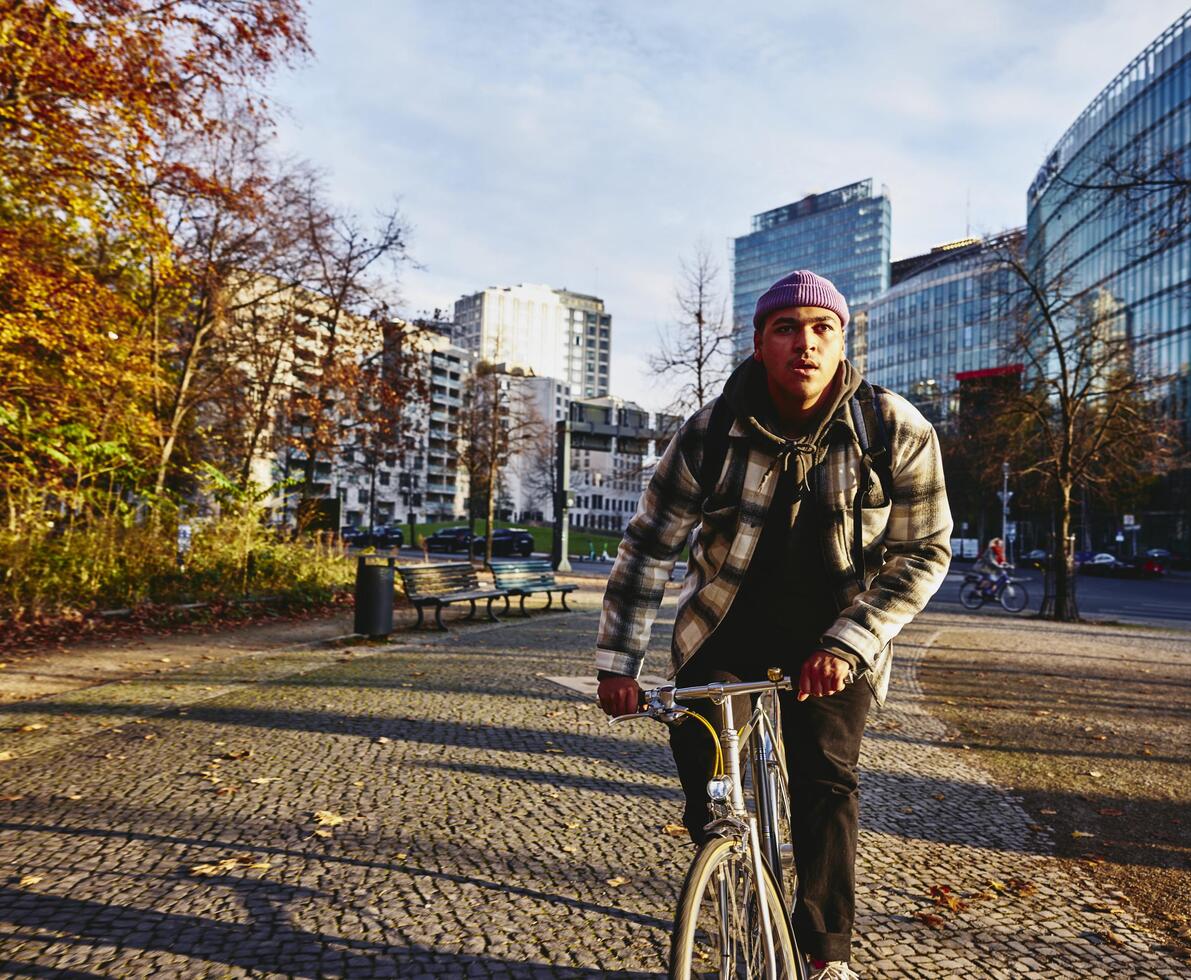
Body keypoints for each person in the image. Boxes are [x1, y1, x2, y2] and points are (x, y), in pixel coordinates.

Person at [595, 270, 952, 980]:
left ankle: (823, 953)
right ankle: (728, 861)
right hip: (725, 626)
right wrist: (618, 664)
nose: (804, 343)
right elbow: (649, 545)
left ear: (841, 340)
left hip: (835, 637)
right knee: (705, 763)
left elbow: (923, 551)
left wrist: (847, 643)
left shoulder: (892, 427)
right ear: (760, 344)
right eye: (785, 328)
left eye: (821, 328)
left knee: (824, 776)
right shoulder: (707, 433)